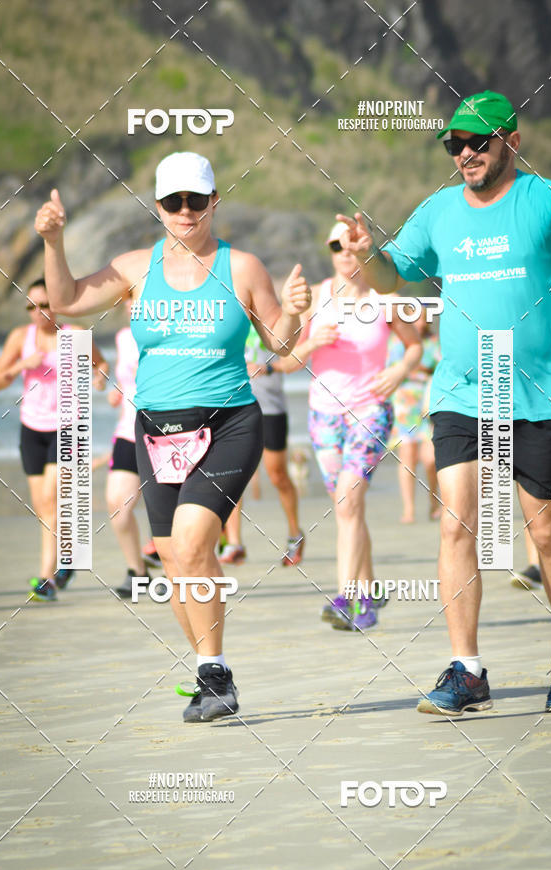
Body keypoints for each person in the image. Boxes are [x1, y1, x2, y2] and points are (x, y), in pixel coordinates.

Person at [34, 151, 311, 722]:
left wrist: (295, 315)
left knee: (190, 544)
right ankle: (213, 673)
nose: (185, 211)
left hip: (229, 422)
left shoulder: (243, 268)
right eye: (172, 201)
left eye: (196, 199)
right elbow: (65, 303)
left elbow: (279, 344)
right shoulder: (136, 268)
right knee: (173, 558)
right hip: (155, 430)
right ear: (157, 207)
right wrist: (54, 243)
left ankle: (215, 678)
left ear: (215, 201)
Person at [338, 90, 551, 714]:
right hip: (461, 390)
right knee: (455, 524)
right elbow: (394, 276)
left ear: (512, 142)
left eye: (479, 141)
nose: (466, 153)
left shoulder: (547, 200)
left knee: (547, 531)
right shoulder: (439, 211)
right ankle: (467, 670)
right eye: (455, 144)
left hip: (540, 393)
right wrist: (365, 255)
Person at [280, 221, 421, 631]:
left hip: (369, 411)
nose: (343, 252)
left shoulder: (385, 297)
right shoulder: (316, 298)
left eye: (349, 244)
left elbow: (414, 348)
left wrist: (398, 372)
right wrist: (310, 343)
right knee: (348, 509)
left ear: (363, 247)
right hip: (324, 416)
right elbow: (285, 361)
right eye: (334, 246)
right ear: (329, 251)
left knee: (347, 500)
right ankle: (371, 592)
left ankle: (348, 599)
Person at [0, 279, 107, 600]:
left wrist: (99, 378)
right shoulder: (20, 338)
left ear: (57, 306)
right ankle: (65, 560)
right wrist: (19, 366)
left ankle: (47, 578)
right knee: (44, 506)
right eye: (31, 306)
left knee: (50, 503)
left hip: (68, 427)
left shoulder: (76, 335)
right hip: (32, 430)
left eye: (44, 305)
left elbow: (101, 364)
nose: (38, 312)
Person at [219, 320, 305, 567]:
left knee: (277, 475)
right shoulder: (228, 321)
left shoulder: (274, 323)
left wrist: (268, 368)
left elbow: (298, 360)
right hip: (235, 407)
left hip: (271, 408)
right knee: (231, 476)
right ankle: (234, 543)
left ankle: (294, 534)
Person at [106, 302, 150, 597]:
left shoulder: (173, 332)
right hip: (128, 431)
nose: (136, 305)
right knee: (117, 507)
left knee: (174, 513)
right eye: (131, 297)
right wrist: (116, 390)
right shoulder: (123, 337)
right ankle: (138, 571)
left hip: (169, 433)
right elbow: (125, 379)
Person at [387, 303, 440, 523]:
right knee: (407, 456)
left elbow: (441, 369)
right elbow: (389, 369)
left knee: (430, 458)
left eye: (423, 318)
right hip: (404, 404)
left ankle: (434, 501)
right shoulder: (397, 341)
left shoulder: (434, 342)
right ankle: (408, 508)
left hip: (428, 402)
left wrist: (418, 369)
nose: (420, 323)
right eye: (416, 318)